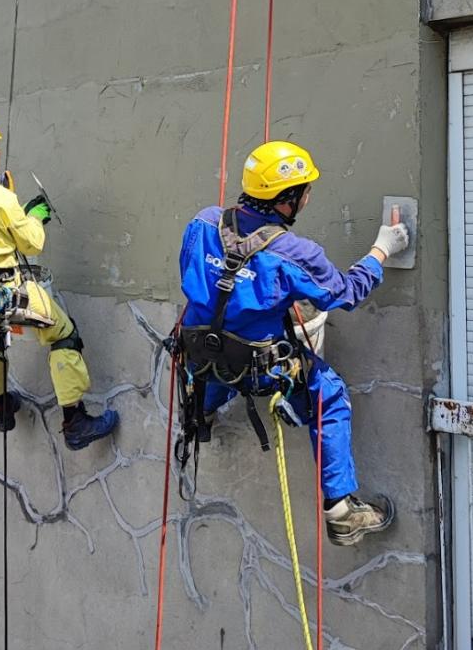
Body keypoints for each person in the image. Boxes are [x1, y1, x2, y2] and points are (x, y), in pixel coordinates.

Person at [176, 139, 410, 546]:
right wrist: (381, 249)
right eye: (304, 191)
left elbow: (201, 281)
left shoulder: (201, 223)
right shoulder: (294, 252)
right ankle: (341, 511)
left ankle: (200, 418)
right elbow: (345, 293)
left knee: (220, 354)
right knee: (329, 394)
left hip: (201, 353)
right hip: (257, 369)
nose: (307, 197)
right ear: (287, 200)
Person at [0, 113, 118, 450]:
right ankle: (75, 422)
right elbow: (32, 243)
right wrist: (34, 215)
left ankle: (1, 407)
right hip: (2, 294)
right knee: (63, 334)